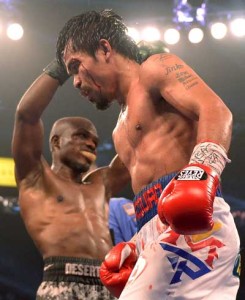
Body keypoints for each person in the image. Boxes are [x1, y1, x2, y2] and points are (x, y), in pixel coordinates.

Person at [55, 9, 241, 299]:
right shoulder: (120, 129)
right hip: (159, 232)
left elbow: (215, 110)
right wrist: (138, 242)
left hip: (194, 225)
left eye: (76, 66)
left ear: (104, 49)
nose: (76, 82)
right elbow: (108, 181)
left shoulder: (155, 68)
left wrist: (201, 172)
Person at [11, 59, 131, 299]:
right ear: (56, 142)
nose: (90, 144)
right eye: (81, 136)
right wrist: (60, 68)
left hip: (107, 285)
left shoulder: (100, 185)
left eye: (94, 142)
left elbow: (134, 149)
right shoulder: (37, 178)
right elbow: (26, 115)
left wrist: (133, 88)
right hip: (62, 281)